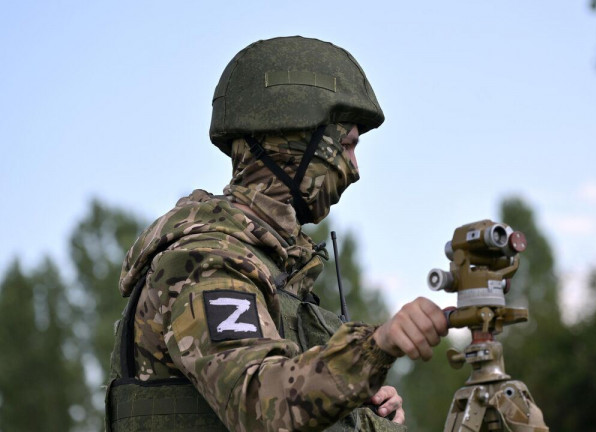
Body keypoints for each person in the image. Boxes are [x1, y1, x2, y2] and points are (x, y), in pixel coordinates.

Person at [105, 36, 448, 432]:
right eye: (347, 145)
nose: (354, 169)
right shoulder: (205, 262)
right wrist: (375, 348)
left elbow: (291, 390)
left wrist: (362, 410)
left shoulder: (275, 267)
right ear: (297, 143)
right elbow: (261, 405)